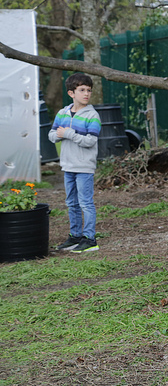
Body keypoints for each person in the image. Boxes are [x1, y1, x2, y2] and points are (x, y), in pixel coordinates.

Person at [48, 73, 102, 253]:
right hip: (68, 166)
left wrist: (69, 134)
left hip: (84, 167)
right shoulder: (62, 113)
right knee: (71, 203)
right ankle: (75, 236)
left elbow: (90, 141)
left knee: (85, 203)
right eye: (82, 90)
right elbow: (52, 134)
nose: (86, 93)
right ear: (71, 93)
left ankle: (90, 238)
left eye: (89, 90)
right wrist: (59, 135)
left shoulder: (92, 115)